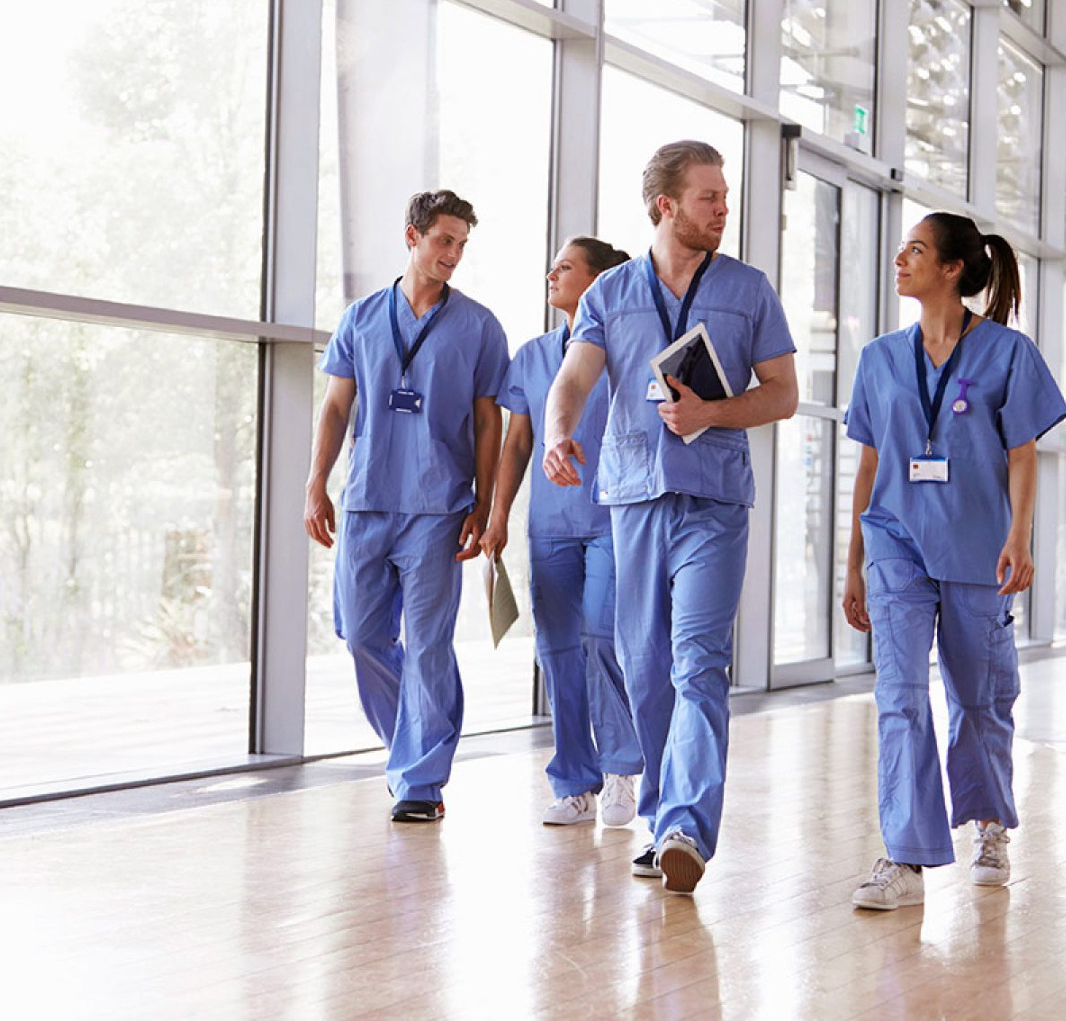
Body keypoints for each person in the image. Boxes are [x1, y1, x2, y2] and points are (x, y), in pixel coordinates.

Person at [543, 141, 798, 892]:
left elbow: (781, 392)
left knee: (697, 663)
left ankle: (687, 822)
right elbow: (574, 378)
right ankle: (662, 819)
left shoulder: (749, 290)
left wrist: (713, 412)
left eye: (724, 196)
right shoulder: (610, 294)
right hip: (632, 498)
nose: (724, 209)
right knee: (647, 668)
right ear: (666, 206)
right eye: (709, 197)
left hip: (714, 501)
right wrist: (560, 433)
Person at [843, 212, 1066, 911]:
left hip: (977, 544)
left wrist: (1020, 537)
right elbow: (870, 460)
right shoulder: (879, 358)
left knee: (979, 698)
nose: (900, 257)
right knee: (900, 696)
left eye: (916, 249)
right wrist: (853, 561)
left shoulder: (1008, 353)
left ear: (952, 270)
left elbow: (1024, 451)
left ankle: (991, 823)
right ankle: (905, 857)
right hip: (895, 545)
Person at [304, 189, 509, 824]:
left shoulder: (479, 326)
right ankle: (408, 749)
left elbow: (487, 422)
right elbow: (338, 406)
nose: (453, 254)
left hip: (439, 506)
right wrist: (317, 483)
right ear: (412, 237)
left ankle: (421, 780)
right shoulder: (361, 318)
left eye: (462, 245)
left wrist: (484, 501)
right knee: (362, 635)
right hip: (367, 500)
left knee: (427, 645)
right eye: (444, 240)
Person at [481, 237, 644, 828]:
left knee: (602, 637)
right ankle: (576, 780)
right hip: (549, 526)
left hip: (613, 518)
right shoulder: (531, 355)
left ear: (601, 282)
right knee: (556, 653)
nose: (552, 273)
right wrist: (498, 517)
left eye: (566, 266)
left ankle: (623, 768)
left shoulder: (626, 351)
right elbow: (518, 442)